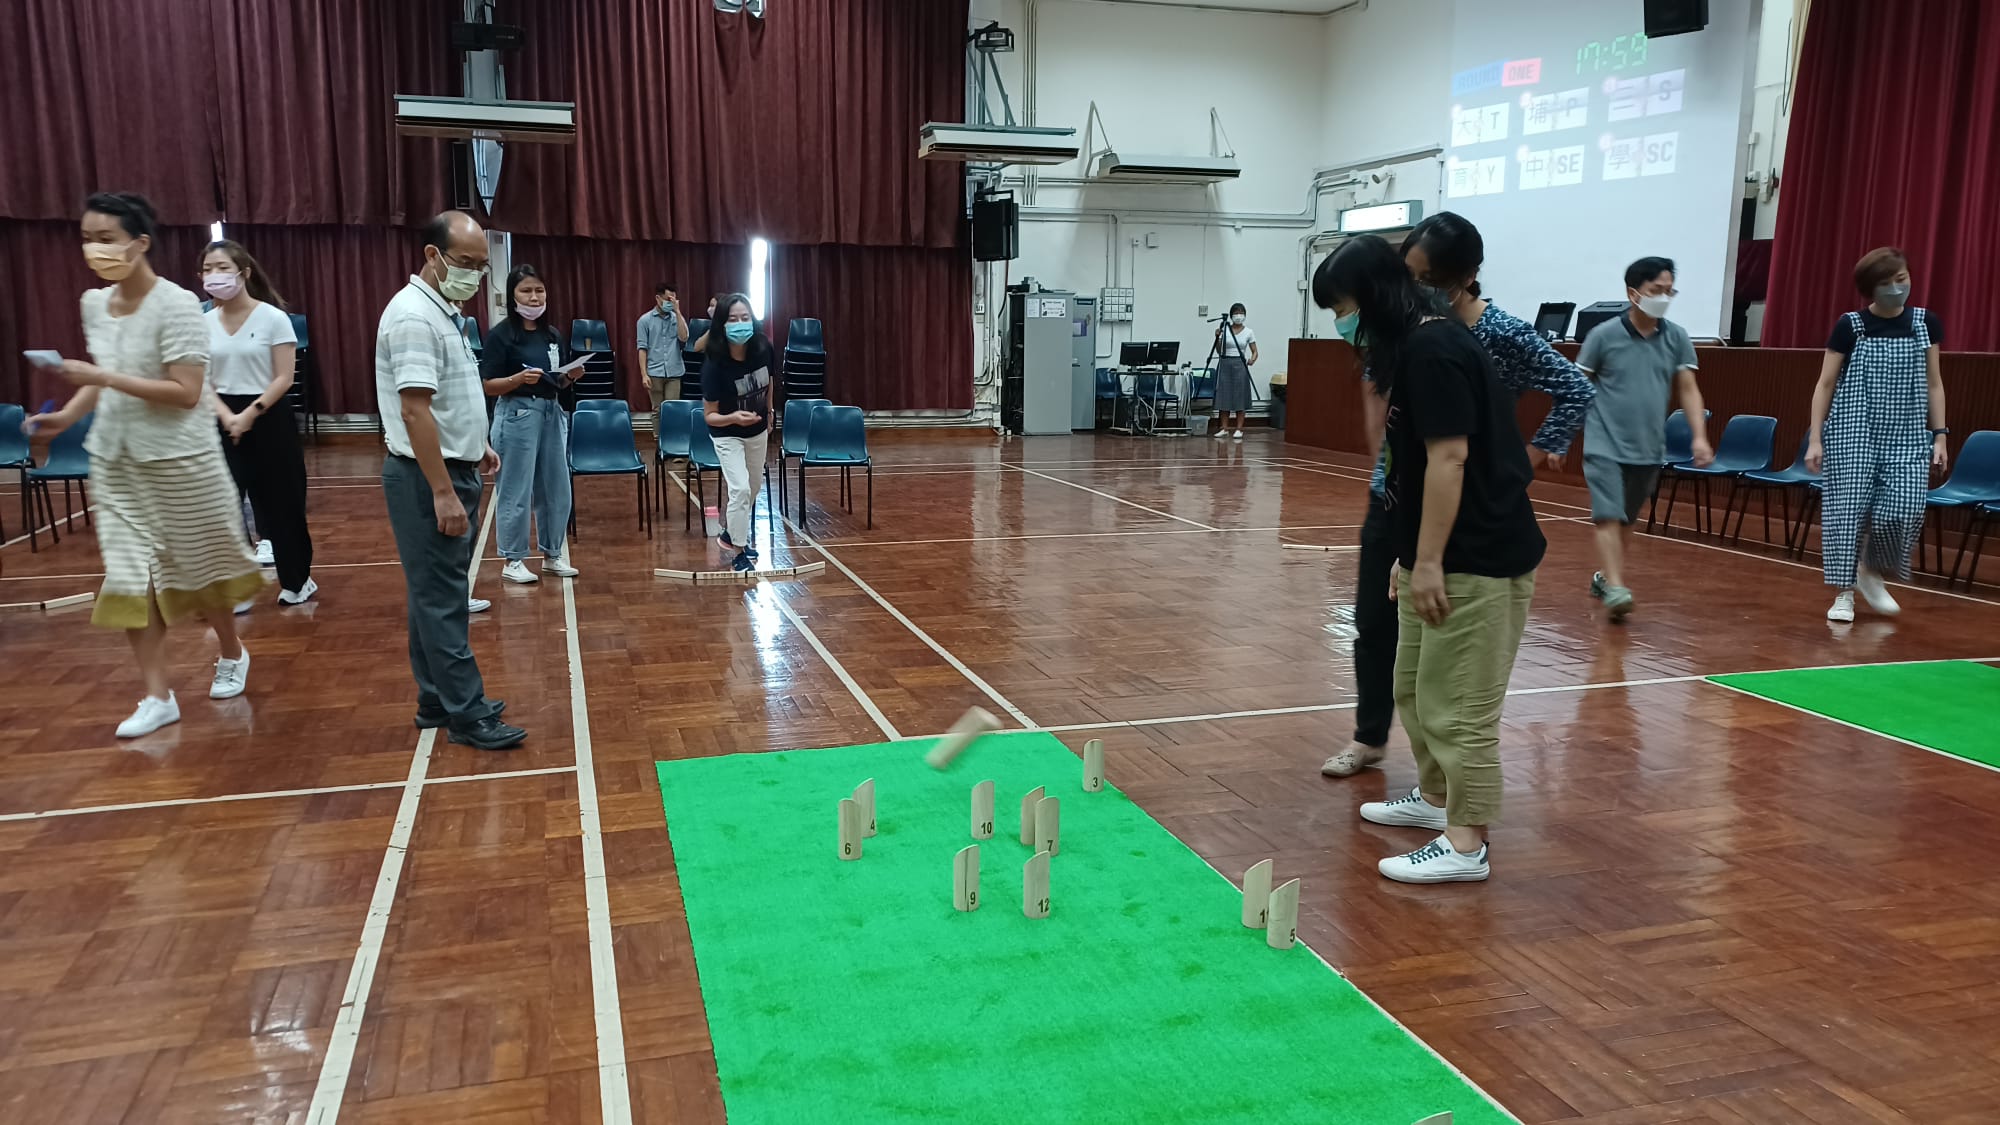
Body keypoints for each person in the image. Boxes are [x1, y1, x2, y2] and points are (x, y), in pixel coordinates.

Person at [1321, 211, 1594, 779]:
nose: (1414, 288)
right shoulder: (1403, 331)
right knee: (1379, 627)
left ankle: (1454, 803)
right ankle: (1378, 745)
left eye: (1428, 279)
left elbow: (1572, 389)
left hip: (1465, 513)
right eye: (1408, 274)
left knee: (1452, 671)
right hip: (1401, 496)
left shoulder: (1485, 336)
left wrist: (1523, 459)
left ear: (1467, 276)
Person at [1311, 234, 1543, 884]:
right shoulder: (1413, 350)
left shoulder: (1434, 350)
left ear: (1375, 296)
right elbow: (1411, 468)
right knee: (1414, 688)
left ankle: (1466, 844)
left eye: (1343, 308)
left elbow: (1450, 459)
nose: (1341, 323)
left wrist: (1433, 560)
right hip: (1432, 549)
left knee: (1459, 705)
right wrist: (1410, 554)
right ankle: (1437, 799)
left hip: (1480, 556)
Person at [24, 192, 265, 738]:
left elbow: (185, 392)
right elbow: (103, 376)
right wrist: (66, 416)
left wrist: (101, 377)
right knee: (130, 579)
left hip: (181, 462)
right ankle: (158, 696)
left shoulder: (177, 305)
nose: (95, 248)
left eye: (106, 238)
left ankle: (232, 651)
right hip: (116, 462)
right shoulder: (93, 304)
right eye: (87, 238)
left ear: (139, 243)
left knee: (201, 575)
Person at [375, 210, 524, 751]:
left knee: (431, 593)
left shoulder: (443, 312)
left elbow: (447, 397)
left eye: (482, 266)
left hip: (450, 465)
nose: (475, 275)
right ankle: (468, 713)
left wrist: (476, 443)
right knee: (443, 599)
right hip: (426, 476)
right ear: (432, 256)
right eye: (465, 263)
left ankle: (435, 699)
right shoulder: (414, 317)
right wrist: (442, 491)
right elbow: (414, 411)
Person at [1805, 247, 1949, 623]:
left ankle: (1871, 570)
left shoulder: (1925, 323)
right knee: (1847, 510)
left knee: (1907, 506)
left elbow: (1934, 383)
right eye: (1886, 283)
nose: (1896, 288)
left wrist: (1940, 436)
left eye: (1901, 279)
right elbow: (1825, 383)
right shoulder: (1850, 326)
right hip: (1854, 428)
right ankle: (1843, 593)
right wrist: (1816, 438)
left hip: (1907, 432)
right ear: (1870, 289)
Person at [1574, 256, 1712, 621]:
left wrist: (1699, 437)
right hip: (1603, 441)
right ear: (1633, 293)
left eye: (1669, 291)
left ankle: (1604, 578)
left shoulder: (1677, 337)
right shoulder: (1603, 336)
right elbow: (1576, 388)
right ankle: (1617, 588)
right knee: (1607, 515)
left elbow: (1688, 389)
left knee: (1626, 520)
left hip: (1648, 446)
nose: (1663, 297)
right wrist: (1561, 437)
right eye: (1656, 290)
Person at [200, 240, 315, 606]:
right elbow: (202, 380)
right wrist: (227, 416)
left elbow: (283, 377)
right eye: (207, 269)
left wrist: (250, 414)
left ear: (244, 273)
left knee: (283, 503)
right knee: (223, 506)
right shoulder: (202, 323)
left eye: (222, 267)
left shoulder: (273, 318)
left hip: (269, 416)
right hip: (222, 417)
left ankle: (297, 581)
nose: (214, 276)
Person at [481, 264, 579, 585]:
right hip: (517, 413)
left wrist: (570, 376)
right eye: (526, 291)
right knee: (516, 488)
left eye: (539, 290)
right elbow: (488, 385)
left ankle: (552, 554)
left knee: (556, 487)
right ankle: (513, 559)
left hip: (551, 412)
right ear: (513, 296)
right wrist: (518, 379)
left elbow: (556, 380)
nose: (534, 297)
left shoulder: (552, 335)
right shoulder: (501, 335)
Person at [695, 293, 774, 572]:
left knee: (753, 488)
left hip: (758, 430)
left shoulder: (763, 347)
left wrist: (770, 411)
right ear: (722, 324)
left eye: (745, 318)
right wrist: (733, 417)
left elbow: (770, 380)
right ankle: (739, 551)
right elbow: (709, 415)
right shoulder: (714, 364)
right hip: (726, 433)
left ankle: (730, 534)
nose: (740, 324)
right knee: (739, 488)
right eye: (733, 319)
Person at [637, 282, 688, 416]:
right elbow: (642, 348)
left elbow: (684, 338)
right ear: (658, 298)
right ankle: (657, 431)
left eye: (673, 300)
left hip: (674, 372)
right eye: (668, 299)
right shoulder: (644, 320)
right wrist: (644, 374)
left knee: (672, 409)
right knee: (657, 410)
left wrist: (677, 312)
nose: (671, 303)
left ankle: (671, 431)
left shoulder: (677, 318)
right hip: (654, 372)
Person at [1212, 303, 1258, 440]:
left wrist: (1252, 360)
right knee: (1224, 396)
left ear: (1245, 315)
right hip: (1225, 362)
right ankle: (1224, 428)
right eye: (1236, 313)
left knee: (1240, 396)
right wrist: (1217, 337)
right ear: (1231, 315)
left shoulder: (1249, 332)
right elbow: (1219, 350)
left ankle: (1239, 429)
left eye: (1241, 313)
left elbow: (1255, 351)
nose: (1238, 315)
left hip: (1240, 363)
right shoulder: (1225, 329)